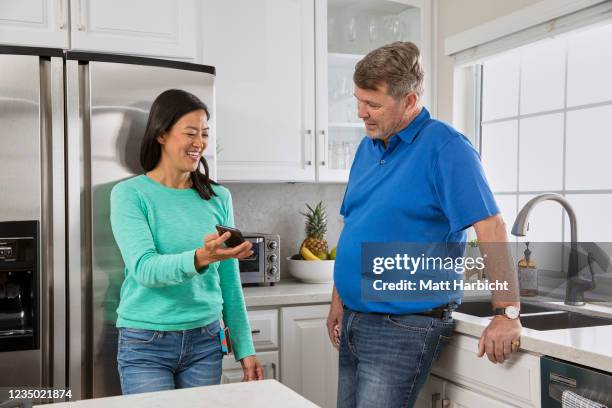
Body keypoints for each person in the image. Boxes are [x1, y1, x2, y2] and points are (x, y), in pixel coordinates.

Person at [327, 42, 521, 407]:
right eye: (358, 100)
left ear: (410, 102)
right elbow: (356, 221)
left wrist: (507, 313)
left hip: (401, 326)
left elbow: (491, 228)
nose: (360, 113)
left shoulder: (446, 148)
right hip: (356, 319)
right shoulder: (368, 147)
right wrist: (340, 297)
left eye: (373, 104)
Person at [110, 89, 263, 395]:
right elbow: (144, 269)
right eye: (190, 133)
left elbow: (229, 281)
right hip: (145, 343)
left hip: (205, 341)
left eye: (204, 134)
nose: (200, 143)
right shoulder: (130, 195)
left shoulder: (218, 197)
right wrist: (200, 258)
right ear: (161, 135)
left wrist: (245, 347)